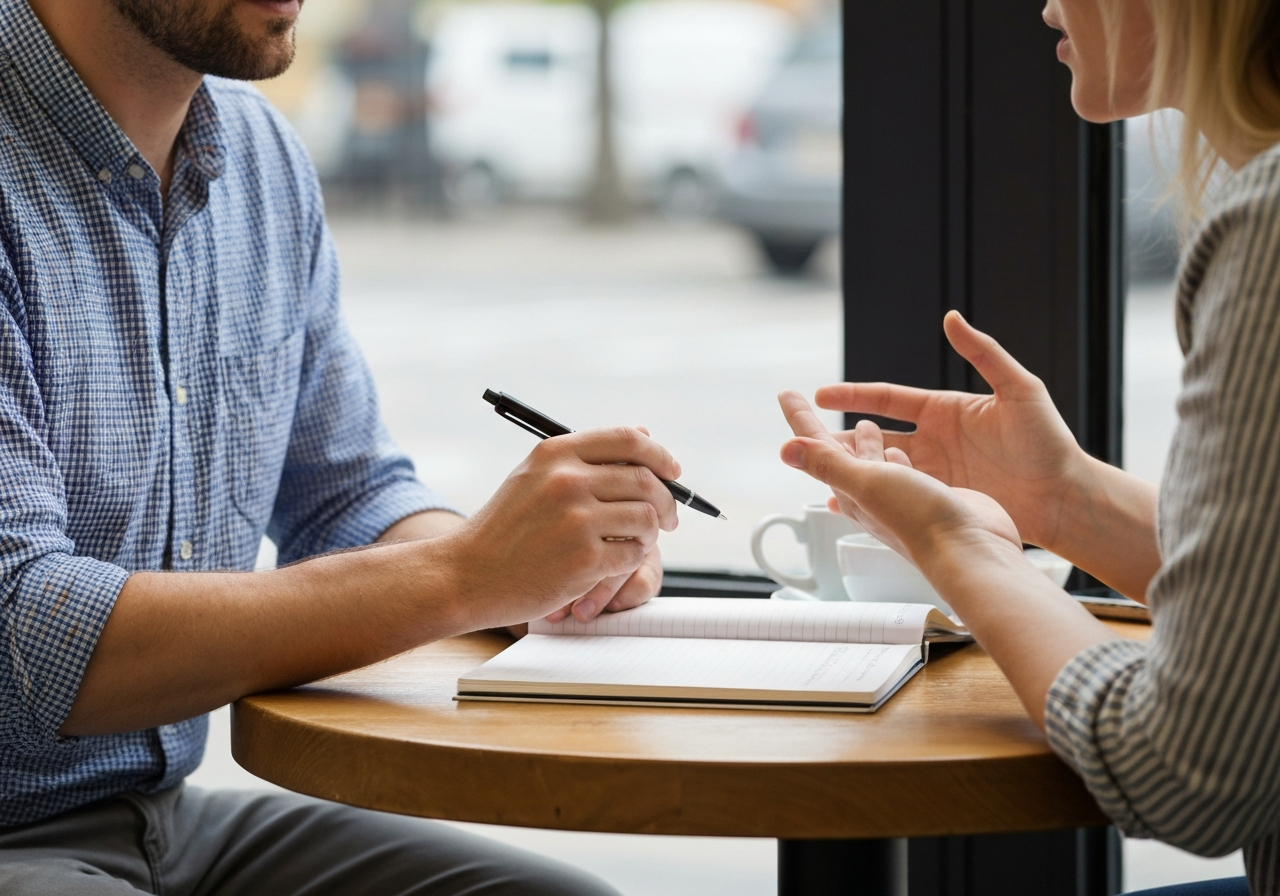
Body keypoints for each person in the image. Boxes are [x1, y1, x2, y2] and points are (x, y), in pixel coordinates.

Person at [0, 0, 680, 892]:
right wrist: (467, 575)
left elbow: (345, 496)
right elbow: (23, 637)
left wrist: (543, 570)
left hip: (164, 816)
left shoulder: (260, 155)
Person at [777, 2, 1280, 895]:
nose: (1043, 4)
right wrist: (1060, 499)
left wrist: (961, 548)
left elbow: (1193, 772)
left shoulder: (1268, 225)